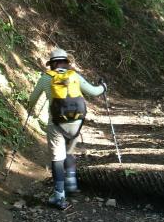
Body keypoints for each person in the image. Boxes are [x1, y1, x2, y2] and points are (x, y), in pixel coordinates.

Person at [27, 48, 106, 209]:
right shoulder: (74, 76)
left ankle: (59, 196)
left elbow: (33, 99)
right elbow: (94, 91)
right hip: (76, 122)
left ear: (52, 64)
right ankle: (71, 184)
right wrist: (103, 87)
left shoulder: (46, 78)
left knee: (58, 157)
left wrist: (29, 109)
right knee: (68, 151)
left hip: (56, 123)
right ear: (66, 62)